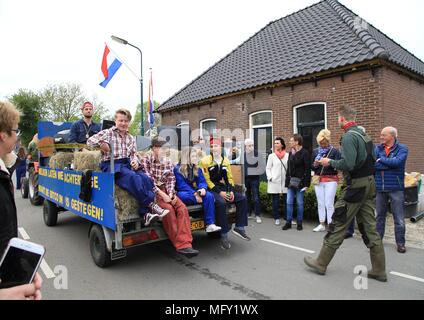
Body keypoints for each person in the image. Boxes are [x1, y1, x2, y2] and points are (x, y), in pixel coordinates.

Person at [304, 105, 387, 282]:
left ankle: (321, 263)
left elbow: (348, 164)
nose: (337, 121)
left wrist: (329, 161)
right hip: (369, 184)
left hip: (356, 187)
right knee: (369, 227)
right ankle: (379, 269)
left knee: (339, 221)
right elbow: (372, 160)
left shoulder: (349, 136)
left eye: (338, 118)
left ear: (342, 119)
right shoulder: (365, 135)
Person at [87, 108, 169, 226]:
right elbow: (90, 141)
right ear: (116, 121)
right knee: (132, 177)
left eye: (125, 121)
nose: (123, 123)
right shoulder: (108, 132)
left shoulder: (131, 138)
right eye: (120, 120)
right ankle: (151, 205)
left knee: (146, 179)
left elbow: (133, 155)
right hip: (112, 164)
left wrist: (135, 161)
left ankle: (145, 214)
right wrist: (101, 143)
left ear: (128, 122)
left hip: (126, 163)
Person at [0, 101, 42, 300]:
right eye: (16, 131)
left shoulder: (4, 171)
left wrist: (17, 268)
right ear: (3, 134)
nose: (17, 136)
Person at [141, 137, 199, 258]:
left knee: (182, 208)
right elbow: (148, 181)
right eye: (163, 148)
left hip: (168, 191)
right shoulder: (146, 159)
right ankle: (180, 245)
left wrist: (171, 193)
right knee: (169, 211)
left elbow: (171, 178)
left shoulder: (167, 161)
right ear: (155, 148)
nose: (165, 150)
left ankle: (187, 244)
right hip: (155, 192)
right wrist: (163, 195)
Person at [200, 136, 250, 250]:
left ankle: (240, 227)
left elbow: (229, 178)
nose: (214, 148)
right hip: (210, 188)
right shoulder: (205, 161)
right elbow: (207, 181)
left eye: (216, 146)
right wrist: (220, 193)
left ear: (220, 147)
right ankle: (224, 236)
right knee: (221, 203)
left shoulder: (225, 160)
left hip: (221, 186)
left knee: (242, 198)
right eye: (212, 146)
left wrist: (230, 191)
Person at [375, 127, 408, 253]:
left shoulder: (403, 148)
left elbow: (398, 163)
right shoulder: (377, 148)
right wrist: (389, 163)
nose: (381, 137)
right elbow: (374, 164)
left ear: (392, 136)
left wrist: (381, 160)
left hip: (396, 188)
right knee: (379, 217)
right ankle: (377, 243)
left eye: (384, 135)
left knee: (398, 218)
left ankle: (400, 243)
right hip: (380, 188)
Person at [174, 147, 221, 233]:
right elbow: (181, 185)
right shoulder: (177, 169)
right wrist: (195, 194)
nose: (196, 158)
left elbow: (202, 181)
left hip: (194, 191)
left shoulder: (196, 168)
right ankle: (201, 200)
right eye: (193, 156)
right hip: (185, 191)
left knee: (209, 195)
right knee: (181, 196)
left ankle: (210, 224)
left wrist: (202, 189)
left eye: (196, 156)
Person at [311, 130, 340, 232]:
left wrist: (330, 163)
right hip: (318, 179)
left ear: (328, 141)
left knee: (329, 203)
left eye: (324, 143)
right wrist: (315, 164)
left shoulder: (335, 151)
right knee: (320, 203)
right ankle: (321, 223)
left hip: (331, 180)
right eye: (321, 143)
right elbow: (312, 167)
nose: (323, 145)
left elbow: (338, 165)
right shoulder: (315, 151)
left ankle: (330, 225)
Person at [283, 134, 311, 231]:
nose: (290, 142)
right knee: (289, 202)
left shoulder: (305, 153)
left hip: (301, 182)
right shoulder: (291, 153)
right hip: (291, 182)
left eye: (291, 141)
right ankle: (288, 222)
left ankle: (299, 222)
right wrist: (287, 181)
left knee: (300, 202)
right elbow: (289, 168)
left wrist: (307, 184)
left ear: (297, 142)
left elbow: (308, 169)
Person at [266, 137, 289, 226]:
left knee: (287, 200)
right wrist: (270, 177)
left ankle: (287, 218)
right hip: (274, 181)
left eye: (277, 143)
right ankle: (276, 218)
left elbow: (289, 168)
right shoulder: (271, 156)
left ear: (282, 144)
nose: (275, 145)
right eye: (275, 143)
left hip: (285, 181)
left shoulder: (287, 155)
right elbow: (268, 168)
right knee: (275, 201)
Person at [244, 138, 265, 224]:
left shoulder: (257, 154)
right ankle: (248, 213)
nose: (251, 147)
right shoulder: (243, 154)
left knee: (256, 197)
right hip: (246, 179)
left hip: (254, 179)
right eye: (249, 145)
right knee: (247, 196)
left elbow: (262, 166)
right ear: (245, 146)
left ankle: (257, 215)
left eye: (252, 145)